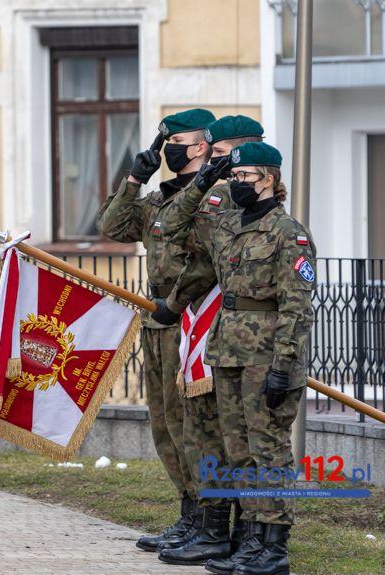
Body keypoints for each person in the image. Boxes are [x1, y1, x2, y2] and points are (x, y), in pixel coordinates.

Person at [156, 141, 315, 575]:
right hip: (227, 352)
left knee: (268, 451)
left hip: (267, 358)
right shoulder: (227, 224)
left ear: (269, 179)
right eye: (235, 176)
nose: (237, 183)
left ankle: (274, 548)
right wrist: (200, 183)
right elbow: (168, 227)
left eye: (245, 177)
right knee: (238, 451)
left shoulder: (289, 233)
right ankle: (250, 541)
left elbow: (297, 306)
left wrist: (284, 365)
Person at [97, 108, 215, 552]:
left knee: (192, 424)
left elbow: (210, 262)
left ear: (200, 147)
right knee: (164, 422)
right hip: (156, 316)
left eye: (176, 143)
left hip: (192, 316)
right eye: (164, 143)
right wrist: (133, 180)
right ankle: (188, 511)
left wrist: (177, 303)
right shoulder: (157, 200)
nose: (169, 151)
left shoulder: (212, 196)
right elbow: (111, 226)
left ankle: (209, 519)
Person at [151, 115, 266, 567]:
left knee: (229, 438)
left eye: (219, 155)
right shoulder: (213, 192)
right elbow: (171, 230)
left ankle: (239, 534)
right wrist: (199, 183)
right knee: (203, 433)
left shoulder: (246, 203)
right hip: (206, 324)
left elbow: (206, 263)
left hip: (234, 332)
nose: (214, 163)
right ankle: (211, 528)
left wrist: (174, 303)